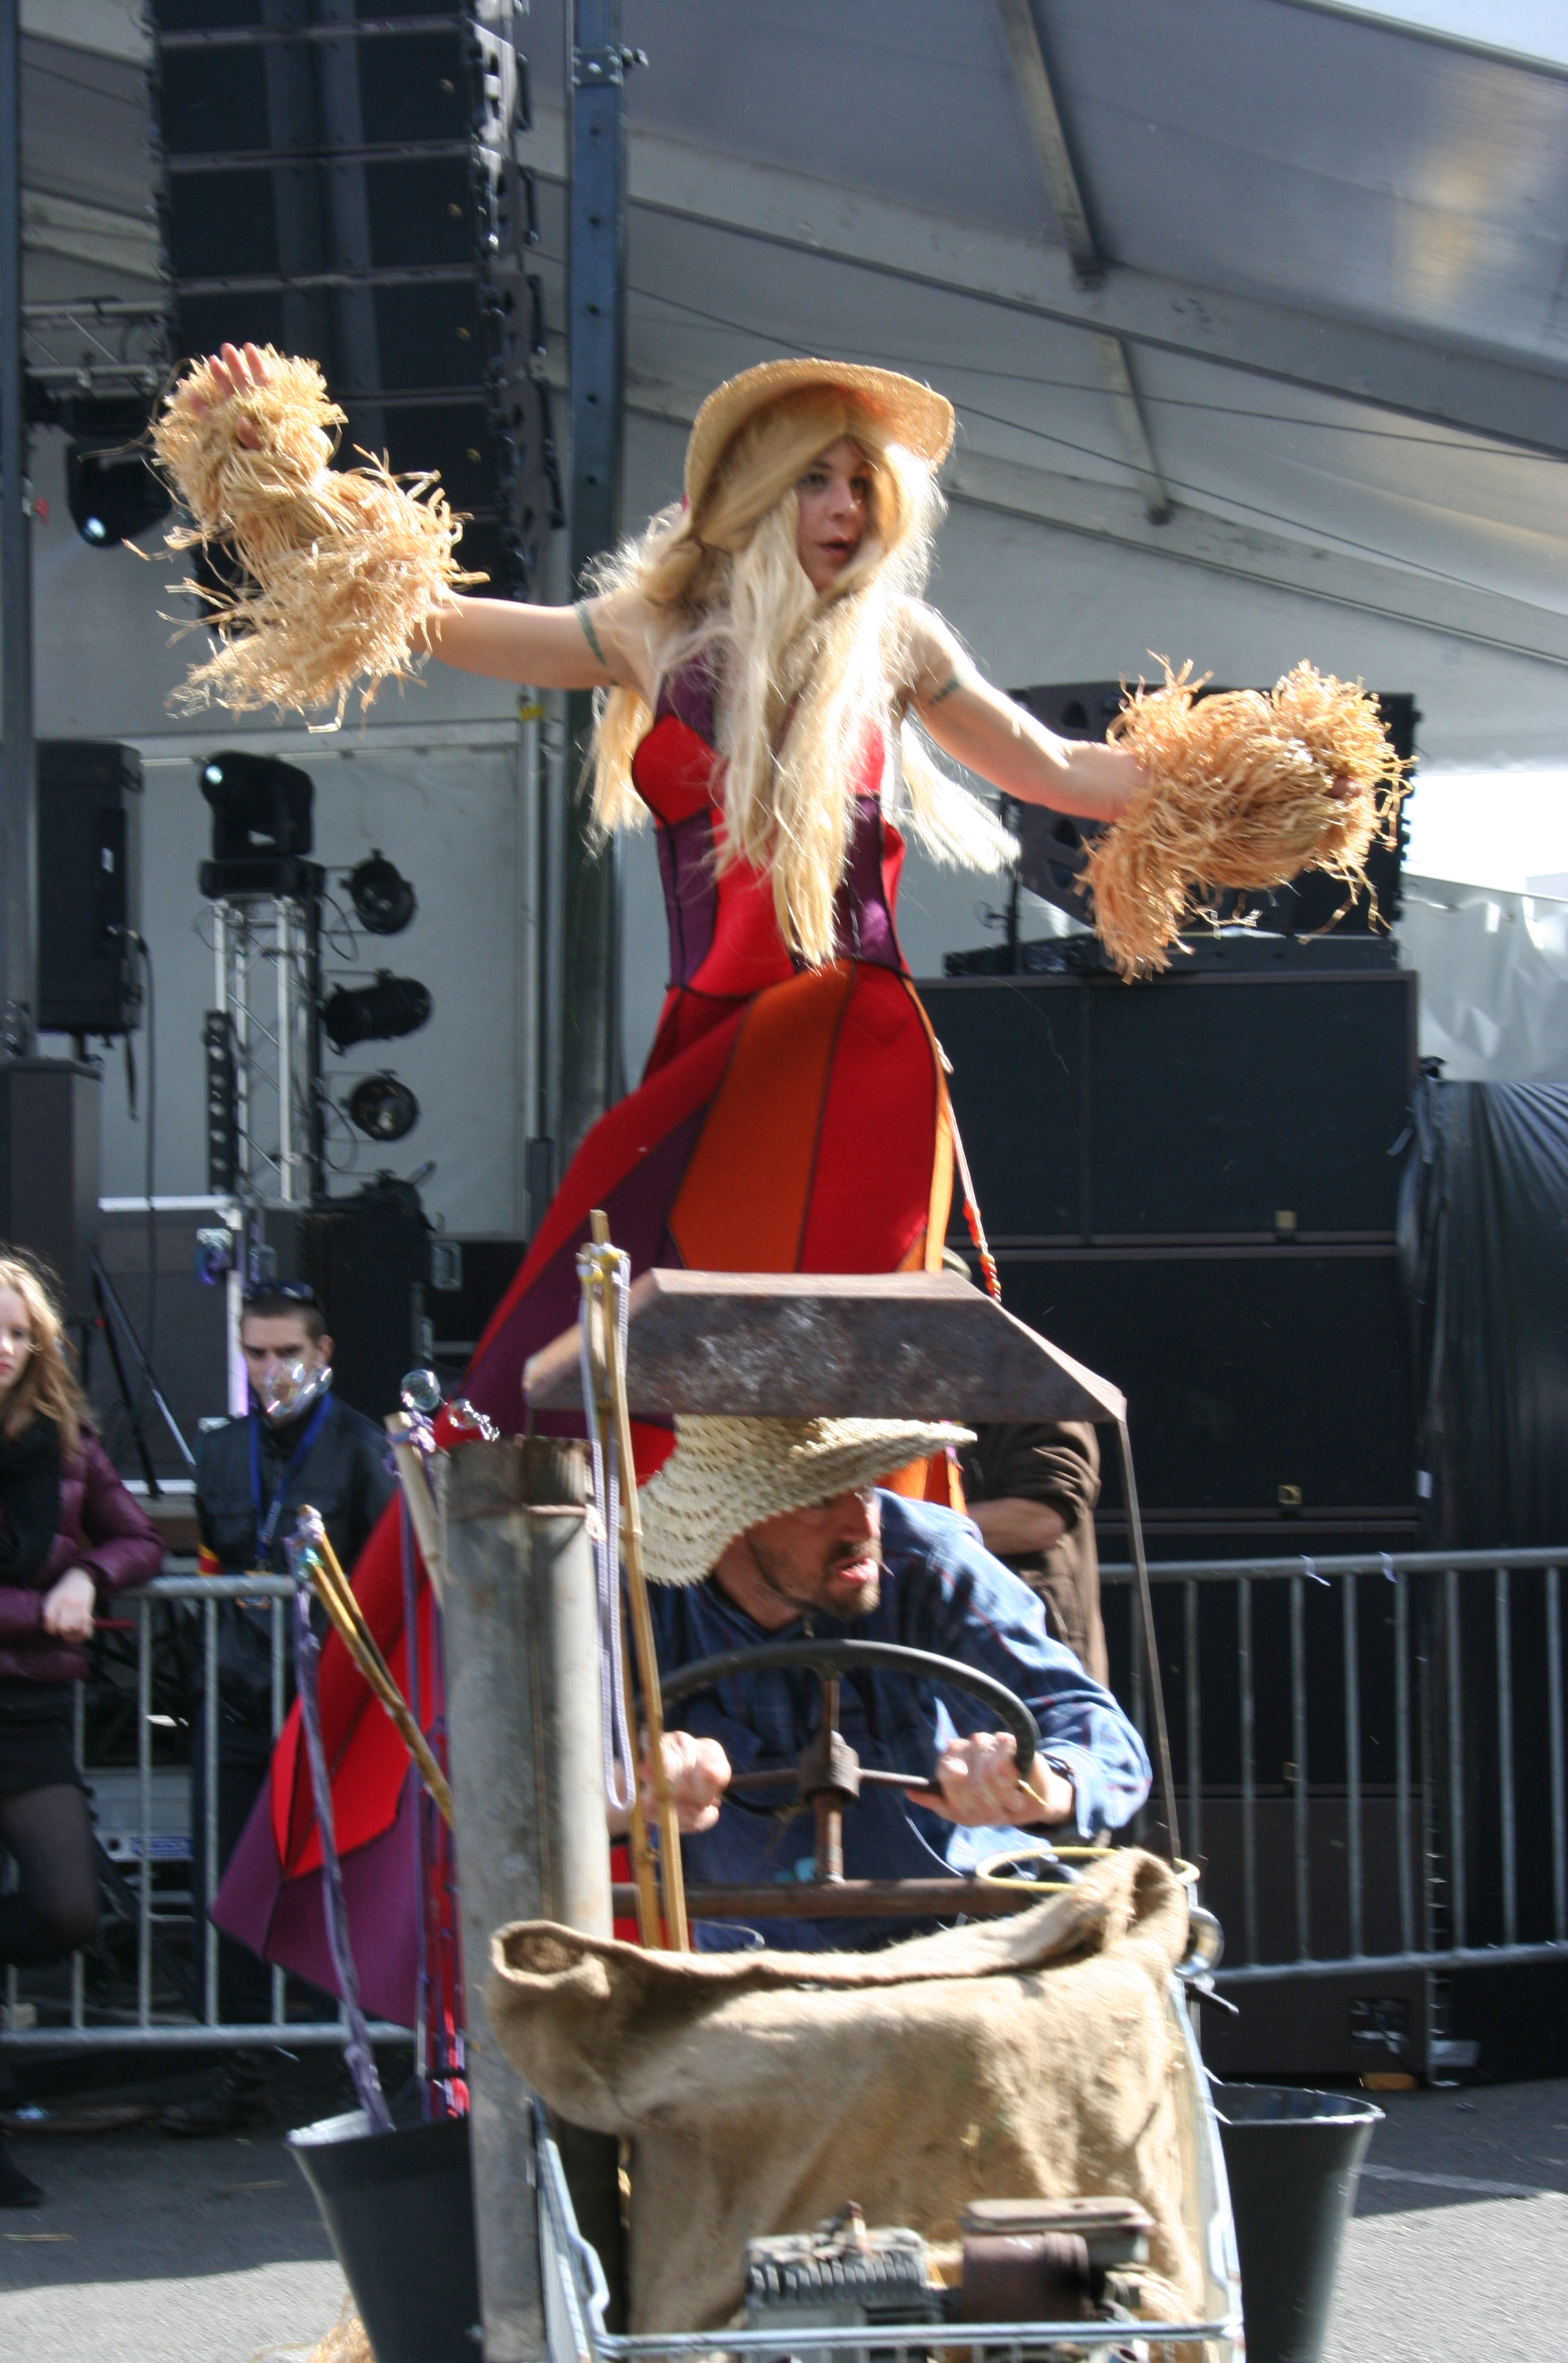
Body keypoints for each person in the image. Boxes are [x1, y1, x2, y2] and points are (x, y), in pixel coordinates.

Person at [176, 343, 1163, 2005]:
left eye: (866, 480)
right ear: (749, 497)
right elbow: (421, 615)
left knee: (850, 1414)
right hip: (721, 1060)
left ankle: (910, 1813)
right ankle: (439, 1855)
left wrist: (1258, 774)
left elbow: (1070, 779)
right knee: (531, 1406)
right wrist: (282, 486)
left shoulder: (900, 643)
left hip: (854, 1068)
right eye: (818, 477)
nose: (845, 506)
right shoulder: (660, 630)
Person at [623, 1413, 1150, 1952]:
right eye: (818, 1499)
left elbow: (1106, 1741)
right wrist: (633, 1787)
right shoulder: (641, 1599)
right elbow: (550, 1788)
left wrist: (1044, 1783)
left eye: (866, 1486)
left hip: (974, 1942)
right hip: (751, 1965)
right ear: (728, 1518)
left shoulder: (928, 1558)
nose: (863, 1526)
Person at [172, 1284, 394, 2129]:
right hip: (234, 1700)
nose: (271, 1372)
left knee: (345, 1882)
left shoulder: (364, 1449)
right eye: (256, 1354)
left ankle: (360, 2066)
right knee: (225, 1887)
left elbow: (385, 1582)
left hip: (328, 1707)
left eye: (287, 1354)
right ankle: (235, 2071)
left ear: (323, 1353)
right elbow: (206, 1565)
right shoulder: (222, 1453)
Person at [0, 1251, 163, 2206]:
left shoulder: (64, 1441)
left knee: (68, 1909)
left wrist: (87, 1577)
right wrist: (36, 1607)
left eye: (20, 1333)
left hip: (30, 1715)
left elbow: (135, 1536)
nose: (5, 1348)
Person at [958, 1422, 1109, 1687]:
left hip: (1037, 1659)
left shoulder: (1036, 1384)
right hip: (969, 1651)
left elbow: (1043, 1518)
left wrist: (905, 1524)